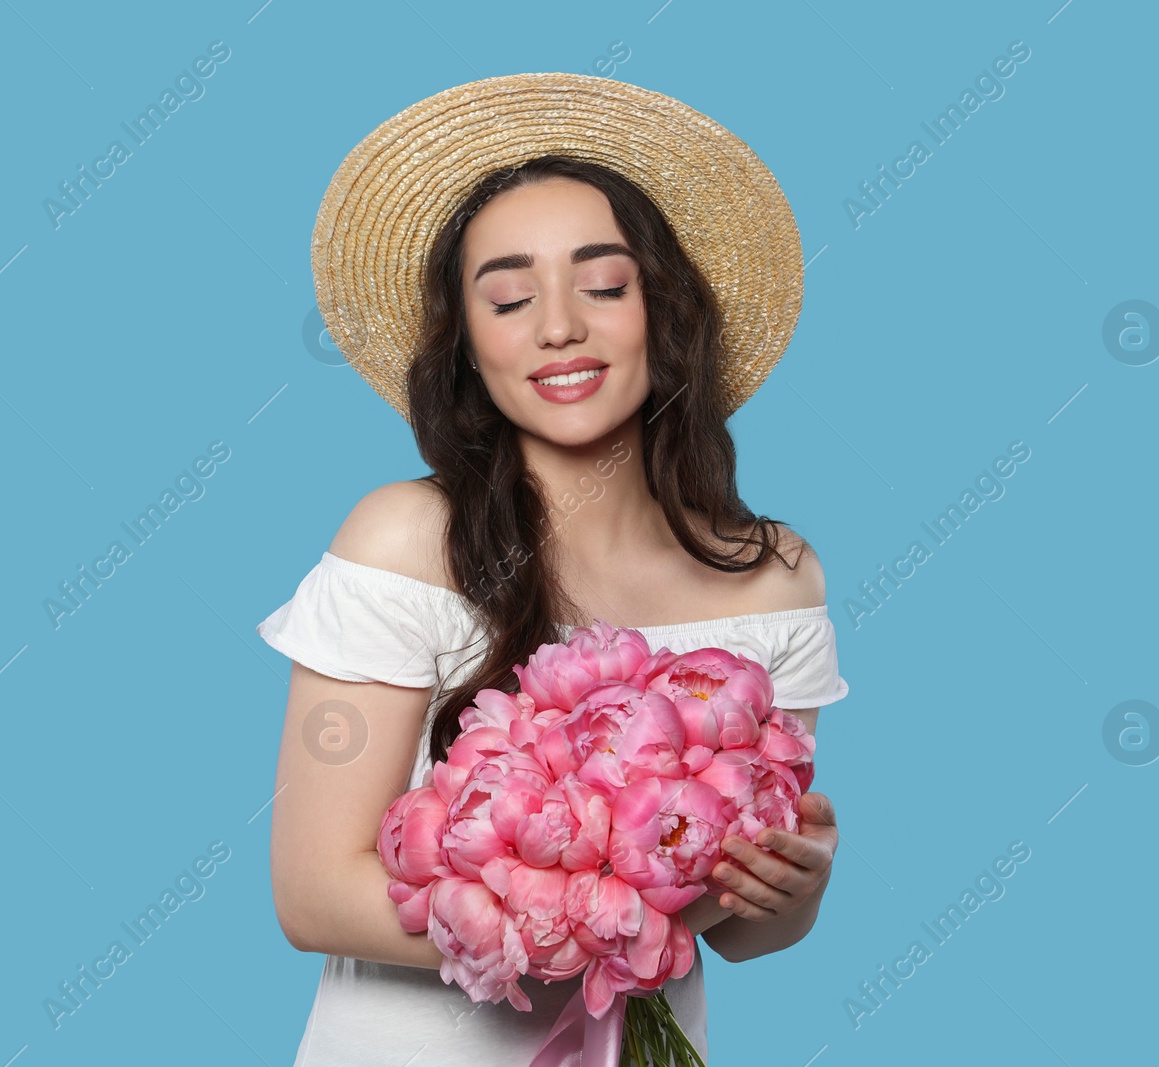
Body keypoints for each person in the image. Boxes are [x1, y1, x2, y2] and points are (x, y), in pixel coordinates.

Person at [257, 72, 848, 1065]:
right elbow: (314, 892)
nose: (558, 326)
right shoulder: (406, 538)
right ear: (469, 346)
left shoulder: (772, 577)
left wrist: (792, 889)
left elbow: (741, 932)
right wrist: (600, 903)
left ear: (665, 315)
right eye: (508, 297)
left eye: (605, 284)